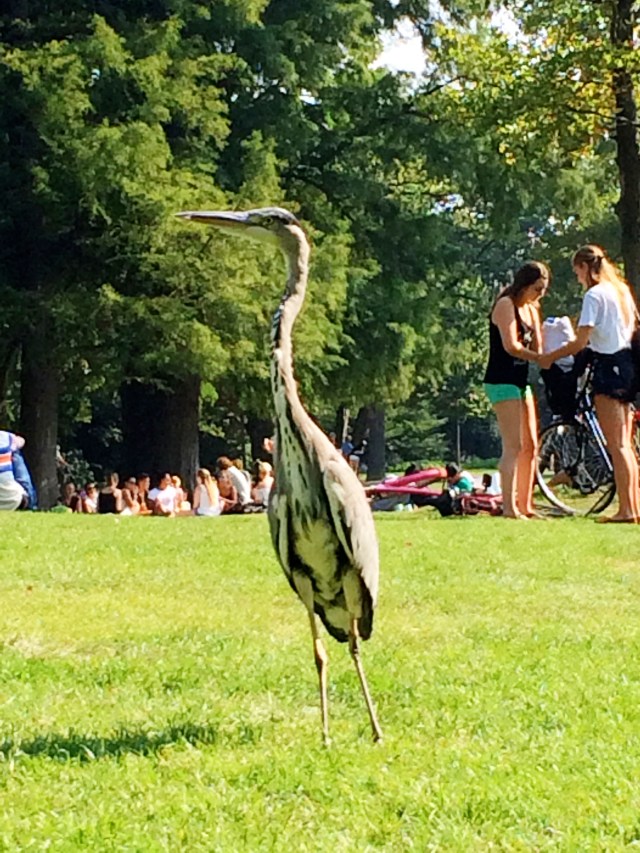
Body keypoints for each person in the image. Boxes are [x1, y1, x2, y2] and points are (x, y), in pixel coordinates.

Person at [539, 244, 639, 523]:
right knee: (625, 445)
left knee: (616, 445)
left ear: (584, 267)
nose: (578, 277)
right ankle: (633, 505)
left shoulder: (594, 295)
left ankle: (626, 510)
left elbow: (581, 341)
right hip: (627, 366)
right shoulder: (621, 291)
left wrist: (551, 356)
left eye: (577, 272)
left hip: (607, 368)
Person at [483, 261, 550, 518]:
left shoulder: (532, 309)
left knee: (531, 445)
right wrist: (537, 358)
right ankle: (509, 507)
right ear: (524, 284)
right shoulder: (505, 305)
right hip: (501, 381)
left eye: (543, 289)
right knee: (514, 445)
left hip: (521, 382)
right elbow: (511, 345)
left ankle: (526, 505)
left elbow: (540, 347)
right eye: (537, 288)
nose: (540, 294)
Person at [0, 429, 28, 511]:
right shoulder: (4, 437)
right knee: (15, 453)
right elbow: (22, 441)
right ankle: (33, 503)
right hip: (15, 500)